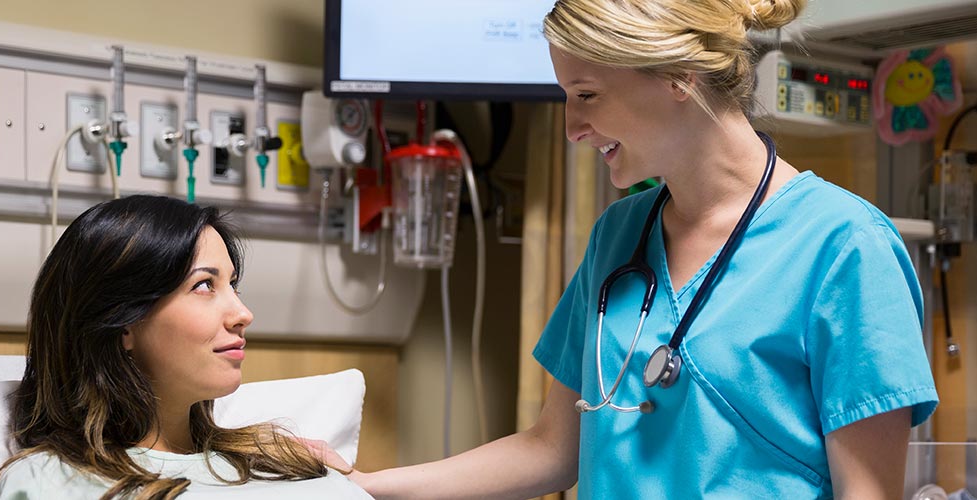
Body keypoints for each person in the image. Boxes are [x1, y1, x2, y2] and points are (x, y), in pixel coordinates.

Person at [331, 0, 939, 498]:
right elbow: (551, 449)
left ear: (679, 75)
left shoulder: (846, 248)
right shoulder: (618, 237)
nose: (571, 127)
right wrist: (366, 488)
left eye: (587, 95)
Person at [0, 195, 369, 499]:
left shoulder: (282, 460)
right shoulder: (50, 483)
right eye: (204, 286)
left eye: (233, 286)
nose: (243, 313)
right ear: (123, 322)